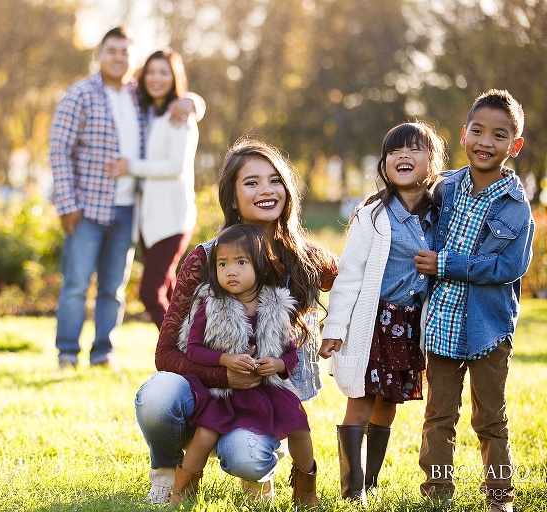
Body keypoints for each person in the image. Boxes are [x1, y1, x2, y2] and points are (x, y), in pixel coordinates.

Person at [135, 138, 338, 504]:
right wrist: (223, 374)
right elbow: (165, 353)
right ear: (232, 197)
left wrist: (337, 332)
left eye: (275, 179)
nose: (266, 189)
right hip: (205, 393)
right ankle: (167, 476)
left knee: (247, 457)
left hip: (267, 398)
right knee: (158, 396)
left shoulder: (306, 259)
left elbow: (357, 284)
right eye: (252, 182)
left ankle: (259, 471)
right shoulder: (207, 259)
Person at [49, 28, 200, 370]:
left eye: (125, 53)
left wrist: (194, 102)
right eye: (112, 51)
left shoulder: (138, 96)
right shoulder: (80, 94)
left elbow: (177, 100)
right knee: (76, 285)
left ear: (133, 60)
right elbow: (59, 150)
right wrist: (67, 204)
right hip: (87, 207)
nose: (118, 58)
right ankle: (68, 354)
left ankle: (103, 353)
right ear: (99, 54)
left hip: (129, 208)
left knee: (113, 288)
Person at [413, 90, 535, 512]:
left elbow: (507, 267)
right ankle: (437, 492)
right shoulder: (444, 188)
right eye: (478, 131)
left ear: (513, 146)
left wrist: (447, 264)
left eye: (499, 135)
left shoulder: (518, 210)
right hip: (442, 324)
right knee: (439, 416)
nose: (486, 141)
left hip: (488, 328)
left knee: (490, 418)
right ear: (464, 134)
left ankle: (499, 496)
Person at [318, 121, 446, 505]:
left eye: (414, 149)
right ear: (384, 164)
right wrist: (335, 327)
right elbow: (349, 276)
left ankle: (371, 480)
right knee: (360, 399)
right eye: (394, 151)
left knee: (388, 404)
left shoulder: (439, 216)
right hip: (373, 323)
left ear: (432, 162)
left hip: (409, 326)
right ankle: (351, 489)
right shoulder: (373, 216)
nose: (403, 156)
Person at [169, 223, 316, 505]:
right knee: (205, 433)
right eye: (222, 264)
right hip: (225, 392)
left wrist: (276, 364)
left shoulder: (276, 306)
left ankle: (306, 489)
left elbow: (290, 353)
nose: (230, 271)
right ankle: (182, 492)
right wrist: (225, 360)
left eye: (240, 262)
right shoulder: (211, 305)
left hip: (268, 391)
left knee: (299, 426)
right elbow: (194, 350)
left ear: (260, 266)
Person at [103, 48, 198, 330]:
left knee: (150, 291)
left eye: (163, 72)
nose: (156, 78)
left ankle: (175, 353)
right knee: (167, 291)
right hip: (148, 220)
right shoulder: (146, 112)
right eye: (151, 72)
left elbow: (175, 167)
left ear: (175, 77)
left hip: (172, 218)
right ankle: (195, 352)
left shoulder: (179, 115)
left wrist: (130, 166)